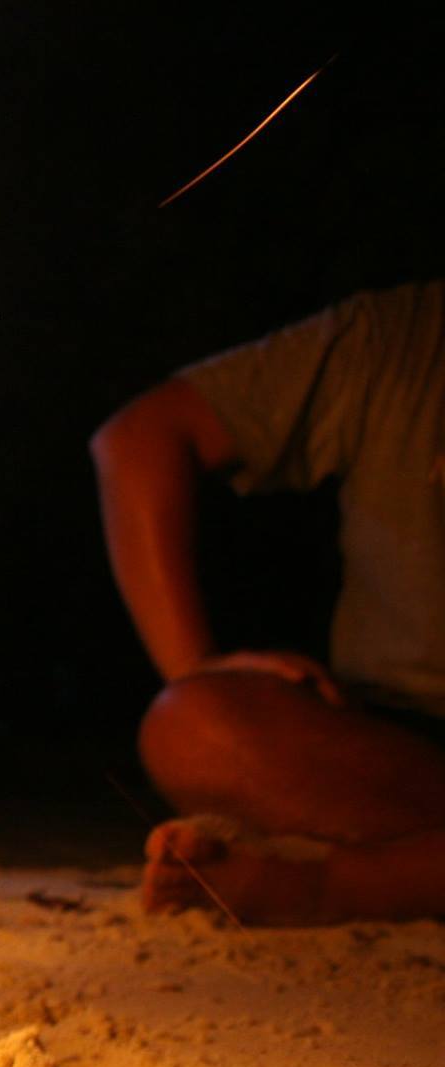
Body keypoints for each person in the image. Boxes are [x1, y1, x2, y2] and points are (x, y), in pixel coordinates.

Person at [91, 282, 445, 925]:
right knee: (191, 726)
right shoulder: (403, 335)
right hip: (398, 750)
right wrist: (193, 666)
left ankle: (339, 885)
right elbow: (137, 440)